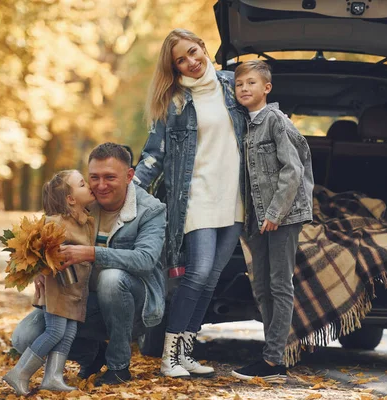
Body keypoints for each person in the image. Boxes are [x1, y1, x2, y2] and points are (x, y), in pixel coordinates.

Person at [133, 28, 246, 378]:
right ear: (174, 67)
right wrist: (128, 195)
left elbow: (263, 127)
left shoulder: (233, 86)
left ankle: (185, 353)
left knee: (211, 278)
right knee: (196, 274)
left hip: (235, 198)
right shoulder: (175, 101)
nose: (191, 62)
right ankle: (169, 358)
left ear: (204, 47)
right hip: (195, 196)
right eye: (181, 59)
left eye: (193, 52)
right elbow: (153, 155)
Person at [10, 142, 167, 386]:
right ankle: (92, 356)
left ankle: (118, 367)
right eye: (94, 178)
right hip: (84, 299)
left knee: (111, 278)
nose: (100, 186)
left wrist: (91, 253)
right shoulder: (81, 203)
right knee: (23, 337)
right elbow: (41, 236)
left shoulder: (150, 210)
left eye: (109, 177)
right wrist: (39, 269)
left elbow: (145, 260)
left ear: (129, 176)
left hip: (135, 306)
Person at [230, 60, 313, 382]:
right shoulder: (244, 125)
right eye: (239, 84)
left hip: (284, 215)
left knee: (279, 285)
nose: (244, 89)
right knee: (261, 286)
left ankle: (273, 361)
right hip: (257, 217)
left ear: (266, 88)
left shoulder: (276, 121)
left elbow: (293, 170)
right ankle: (272, 353)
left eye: (251, 83)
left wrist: (276, 213)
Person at [3, 170, 96, 395]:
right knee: (55, 331)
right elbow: (31, 247)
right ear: (70, 199)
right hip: (58, 287)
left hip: (75, 289)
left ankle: (53, 377)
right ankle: (20, 373)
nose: (89, 186)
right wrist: (38, 272)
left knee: (69, 332)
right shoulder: (55, 222)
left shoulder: (85, 220)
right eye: (82, 184)